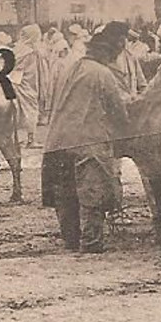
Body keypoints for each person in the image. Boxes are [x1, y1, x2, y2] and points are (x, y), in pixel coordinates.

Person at [42, 21, 133, 254]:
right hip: (87, 141)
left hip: (57, 140)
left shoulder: (70, 67)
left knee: (65, 193)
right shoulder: (103, 74)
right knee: (92, 192)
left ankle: (71, 240)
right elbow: (118, 113)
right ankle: (92, 242)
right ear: (110, 52)